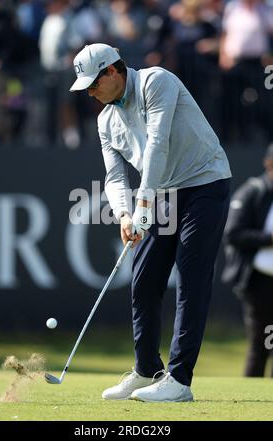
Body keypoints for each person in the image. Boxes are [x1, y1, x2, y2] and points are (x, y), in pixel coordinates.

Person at [70, 43, 232, 402]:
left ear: (113, 70)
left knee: (191, 279)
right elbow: (114, 177)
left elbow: (158, 144)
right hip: (162, 193)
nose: (91, 93)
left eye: (94, 84)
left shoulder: (156, 82)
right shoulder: (105, 121)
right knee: (144, 281)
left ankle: (179, 380)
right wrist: (126, 214)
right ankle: (147, 370)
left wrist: (143, 204)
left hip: (205, 182)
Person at [222, 143, 273, 377]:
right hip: (257, 282)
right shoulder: (253, 191)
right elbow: (233, 234)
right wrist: (268, 239)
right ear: (268, 163)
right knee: (260, 344)